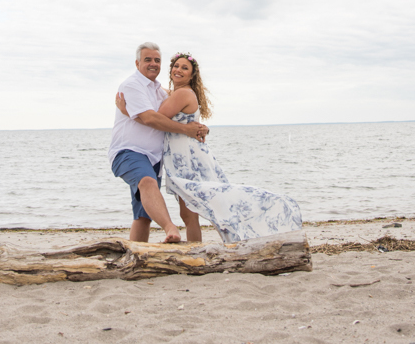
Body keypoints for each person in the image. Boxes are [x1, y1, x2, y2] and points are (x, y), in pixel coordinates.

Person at [117, 51, 302, 243]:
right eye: (176, 66)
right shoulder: (177, 93)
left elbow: (154, 119)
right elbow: (161, 96)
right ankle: (204, 248)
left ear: (191, 75)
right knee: (193, 212)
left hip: (187, 159)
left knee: (191, 215)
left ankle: (199, 250)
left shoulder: (181, 94)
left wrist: (127, 110)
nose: (178, 70)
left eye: (184, 68)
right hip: (187, 156)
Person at [108, 42, 209, 243]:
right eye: (148, 60)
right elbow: (151, 119)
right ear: (137, 63)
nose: (153, 64)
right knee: (147, 182)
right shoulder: (132, 85)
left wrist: (199, 127)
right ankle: (170, 227)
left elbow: (179, 112)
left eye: (157, 60)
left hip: (153, 158)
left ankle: (138, 255)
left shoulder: (159, 91)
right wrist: (187, 129)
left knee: (143, 216)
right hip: (130, 152)